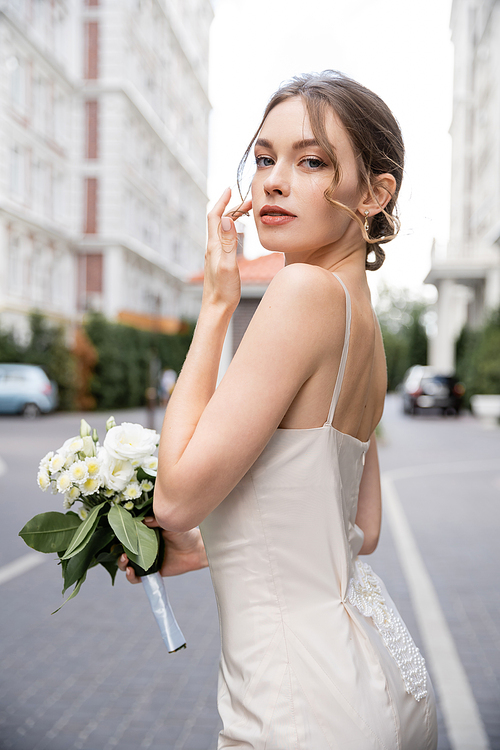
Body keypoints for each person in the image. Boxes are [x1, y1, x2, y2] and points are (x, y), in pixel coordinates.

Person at [119, 71, 438, 749]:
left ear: (376, 194)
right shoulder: (364, 327)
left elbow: (176, 499)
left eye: (311, 161)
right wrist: (207, 551)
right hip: (378, 679)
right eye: (264, 158)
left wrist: (216, 305)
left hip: (299, 707)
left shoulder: (300, 292)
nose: (272, 180)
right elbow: (362, 525)